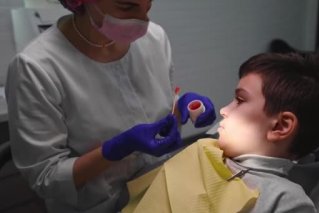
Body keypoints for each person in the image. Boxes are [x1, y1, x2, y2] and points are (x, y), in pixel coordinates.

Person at [5, 0, 216, 212]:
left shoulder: (154, 38)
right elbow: (46, 179)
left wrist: (182, 108)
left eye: (147, 7)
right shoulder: (35, 69)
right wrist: (114, 150)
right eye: (127, 7)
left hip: (160, 186)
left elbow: (158, 110)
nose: (143, 22)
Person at [122, 52, 319, 213]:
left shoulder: (284, 200)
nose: (224, 110)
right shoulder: (203, 151)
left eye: (240, 101)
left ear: (281, 126)